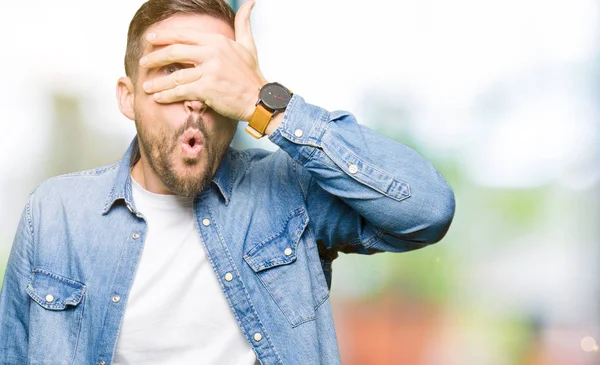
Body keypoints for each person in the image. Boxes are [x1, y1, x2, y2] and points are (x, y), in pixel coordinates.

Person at [0, 0, 455, 364]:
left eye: (215, 76)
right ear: (128, 97)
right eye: (173, 71)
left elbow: (426, 210)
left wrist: (269, 103)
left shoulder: (287, 191)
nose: (196, 98)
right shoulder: (55, 212)